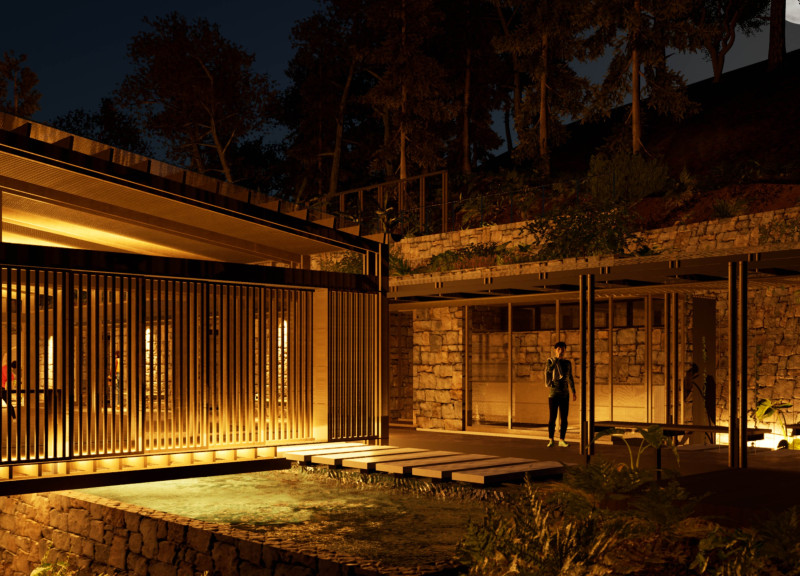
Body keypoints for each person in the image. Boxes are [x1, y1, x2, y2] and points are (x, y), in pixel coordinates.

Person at [544, 341, 576, 447]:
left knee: (564, 418)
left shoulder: (567, 363)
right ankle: (551, 439)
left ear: (565, 350)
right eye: (558, 349)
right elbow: (549, 370)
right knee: (552, 417)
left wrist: (573, 391)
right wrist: (557, 358)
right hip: (553, 394)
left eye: (562, 349)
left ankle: (562, 439)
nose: (561, 351)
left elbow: (570, 377)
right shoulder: (551, 361)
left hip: (565, 394)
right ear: (555, 350)